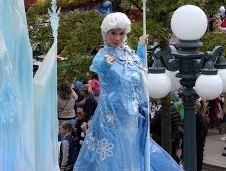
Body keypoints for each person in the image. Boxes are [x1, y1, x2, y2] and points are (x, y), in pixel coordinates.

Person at [73, 12, 182, 171]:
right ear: (105, 33)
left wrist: (141, 47)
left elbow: (140, 68)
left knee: (134, 151)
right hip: (112, 115)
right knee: (114, 154)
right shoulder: (102, 56)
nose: (117, 38)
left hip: (132, 113)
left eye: (121, 33)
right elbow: (100, 68)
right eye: (113, 33)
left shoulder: (128, 53)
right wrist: (106, 65)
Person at [195, 98, 209, 171]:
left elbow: (201, 136)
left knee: (197, 165)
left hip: (197, 147)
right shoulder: (200, 119)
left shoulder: (201, 120)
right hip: (197, 146)